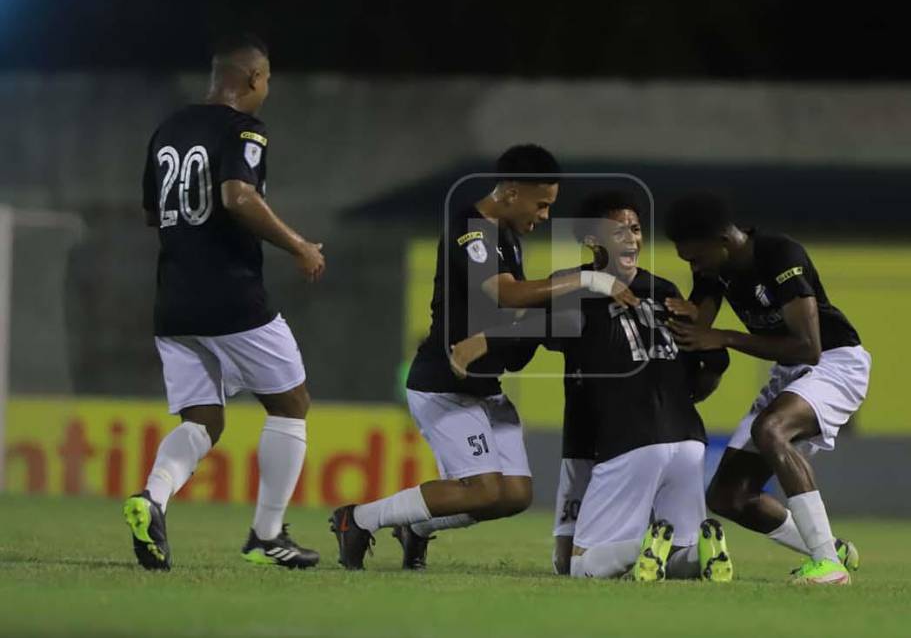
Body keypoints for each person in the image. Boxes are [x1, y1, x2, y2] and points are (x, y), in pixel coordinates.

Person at [330, 146, 637, 570]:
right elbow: (505, 293)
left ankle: (415, 528)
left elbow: (519, 311)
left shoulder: (507, 235)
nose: (546, 215)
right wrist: (588, 278)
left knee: (514, 495)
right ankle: (358, 519)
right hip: (443, 383)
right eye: (542, 204)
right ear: (511, 192)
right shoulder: (472, 230)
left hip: (482, 386)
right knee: (483, 489)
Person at [451, 190, 733, 580]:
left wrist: (475, 345)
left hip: (623, 438)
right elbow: (709, 364)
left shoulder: (573, 288)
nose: (632, 239)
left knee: (578, 566)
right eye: (619, 231)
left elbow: (524, 333)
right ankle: (701, 556)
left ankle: (645, 544)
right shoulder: (665, 291)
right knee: (680, 552)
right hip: (689, 439)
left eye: (634, 229)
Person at [124, 33, 326, 571]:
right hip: (231, 294)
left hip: (173, 299)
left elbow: (153, 213)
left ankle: (152, 499)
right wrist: (300, 245)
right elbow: (238, 195)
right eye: (267, 83)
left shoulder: (169, 128)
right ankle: (267, 535)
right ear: (254, 80)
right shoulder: (244, 129)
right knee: (292, 403)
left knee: (203, 420)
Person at [663, 193, 869, 586]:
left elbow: (808, 346)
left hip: (835, 361)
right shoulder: (714, 268)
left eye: (695, 258)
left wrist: (723, 336)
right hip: (791, 371)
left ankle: (829, 566)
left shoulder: (780, 256)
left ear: (723, 240)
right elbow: (699, 323)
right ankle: (830, 547)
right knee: (729, 497)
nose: (693, 266)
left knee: (770, 429)